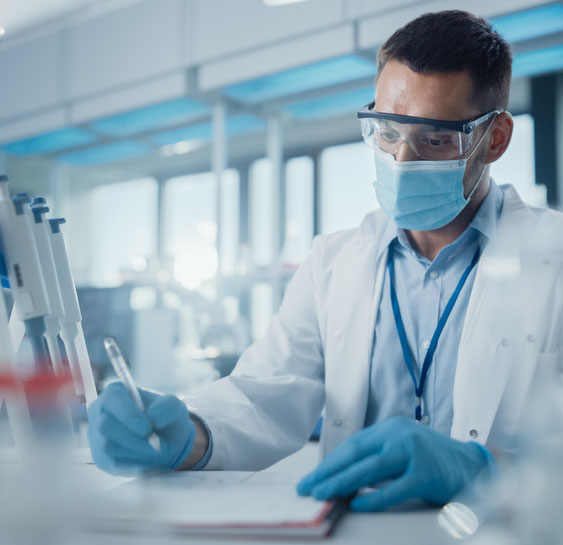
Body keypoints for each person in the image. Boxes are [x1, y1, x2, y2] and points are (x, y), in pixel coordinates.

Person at [88, 10, 563, 511]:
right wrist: (187, 433)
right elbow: (266, 396)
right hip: (353, 538)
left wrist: (487, 470)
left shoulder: (551, 254)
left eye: (435, 140)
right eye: (386, 132)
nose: (401, 161)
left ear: (496, 138)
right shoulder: (335, 261)